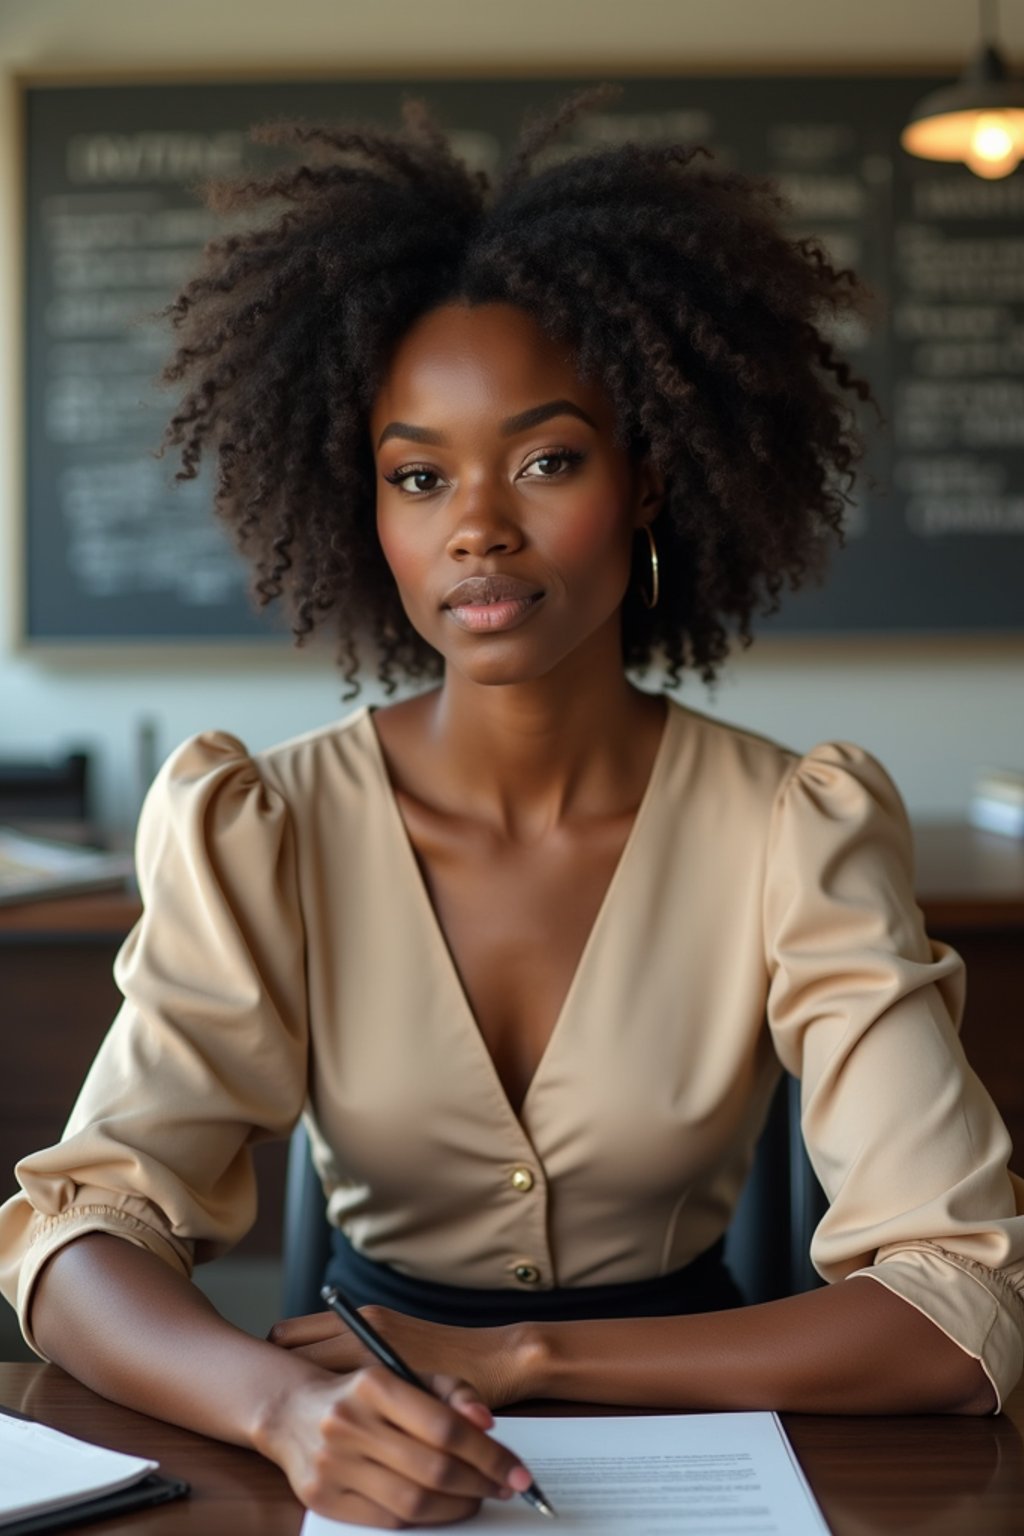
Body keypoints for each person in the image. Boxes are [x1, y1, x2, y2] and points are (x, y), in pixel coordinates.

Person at [2, 86, 1023, 1529]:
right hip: (360, 1442)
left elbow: (963, 1306)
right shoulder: (266, 827)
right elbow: (76, 1239)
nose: (477, 523)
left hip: (705, 1439)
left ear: (651, 474)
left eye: (547, 459)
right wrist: (287, 1410)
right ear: (369, 514)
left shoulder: (797, 826)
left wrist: (518, 1356)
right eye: (420, 476)